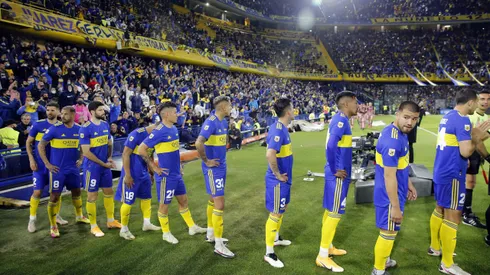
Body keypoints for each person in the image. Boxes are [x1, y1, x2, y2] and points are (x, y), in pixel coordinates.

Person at [429, 89, 490, 275]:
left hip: (441, 170)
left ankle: (434, 248)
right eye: (476, 102)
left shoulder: (448, 116)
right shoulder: (463, 119)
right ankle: (447, 264)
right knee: (453, 215)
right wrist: (479, 137)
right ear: (470, 103)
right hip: (453, 173)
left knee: (440, 208)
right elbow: (465, 152)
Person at [138, 102, 206, 244]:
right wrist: (154, 168)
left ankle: (192, 227)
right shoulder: (159, 131)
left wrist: (179, 165)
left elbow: (175, 151)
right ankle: (166, 233)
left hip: (176, 174)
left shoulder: (174, 129)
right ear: (167, 114)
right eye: (175, 112)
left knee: (183, 200)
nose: (178, 114)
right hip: (165, 176)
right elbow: (141, 149)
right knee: (164, 205)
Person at [371, 101, 420, 275]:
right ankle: (378, 270)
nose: (410, 122)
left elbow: (401, 166)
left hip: (396, 190)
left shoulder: (401, 133)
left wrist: (409, 184)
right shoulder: (392, 141)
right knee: (388, 231)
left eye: (414, 119)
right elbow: (389, 176)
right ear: (397, 114)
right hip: (388, 195)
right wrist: (396, 207)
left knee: (391, 230)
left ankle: (384, 259)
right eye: (406, 117)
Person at [316, 91, 357, 272]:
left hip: (337, 172)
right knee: (335, 212)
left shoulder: (340, 119)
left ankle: (328, 247)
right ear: (347, 104)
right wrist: (334, 170)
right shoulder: (341, 120)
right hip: (338, 173)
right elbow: (331, 145)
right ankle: (323, 256)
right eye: (356, 103)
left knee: (330, 210)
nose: (358, 106)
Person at [37, 106, 89, 238]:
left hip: (73, 169)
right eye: (62, 114)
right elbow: (41, 145)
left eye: (65, 114)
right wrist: (47, 164)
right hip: (57, 170)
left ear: (73, 115)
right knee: (54, 196)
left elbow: (83, 145)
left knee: (77, 191)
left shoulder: (79, 129)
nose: (62, 116)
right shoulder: (55, 128)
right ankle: (53, 225)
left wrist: (81, 158)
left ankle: (79, 216)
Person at [26, 103, 79, 232]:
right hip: (40, 165)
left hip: (57, 166)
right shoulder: (38, 125)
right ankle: (32, 219)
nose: (49, 112)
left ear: (59, 112)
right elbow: (29, 142)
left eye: (52, 110)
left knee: (56, 192)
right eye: (48, 110)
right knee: (37, 192)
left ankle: (56, 215)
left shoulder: (64, 126)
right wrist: (31, 159)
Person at [195, 96, 234, 258]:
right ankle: (219, 244)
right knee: (219, 203)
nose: (231, 107)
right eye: (230, 105)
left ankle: (211, 233)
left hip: (220, 167)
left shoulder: (223, 122)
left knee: (213, 200)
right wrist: (206, 161)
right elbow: (198, 143)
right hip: (213, 169)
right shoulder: (210, 122)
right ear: (223, 107)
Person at [80, 101, 121, 238]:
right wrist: (104, 164)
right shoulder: (85, 128)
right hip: (92, 168)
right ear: (92, 112)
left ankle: (110, 221)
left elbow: (109, 143)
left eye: (103, 110)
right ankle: (93, 226)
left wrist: (109, 157)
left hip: (104, 166)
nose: (103, 112)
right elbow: (86, 153)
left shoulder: (105, 125)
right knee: (92, 196)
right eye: (100, 110)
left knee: (109, 192)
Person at [114, 123, 162, 240]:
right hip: (132, 173)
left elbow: (149, 156)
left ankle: (147, 223)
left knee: (147, 198)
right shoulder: (137, 134)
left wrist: (150, 173)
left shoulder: (155, 136)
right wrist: (128, 175)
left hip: (144, 173)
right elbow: (125, 154)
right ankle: (123, 229)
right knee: (128, 201)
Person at [263, 98, 295, 268]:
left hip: (284, 179)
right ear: (288, 112)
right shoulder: (277, 129)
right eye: (293, 108)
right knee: (275, 213)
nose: (295, 110)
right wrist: (277, 174)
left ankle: (275, 238)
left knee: (282, 209)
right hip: (278, 181)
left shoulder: (282, 128)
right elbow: (270, 154)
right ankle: (269, 253)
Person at [463, 91, 490, 228]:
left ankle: (465, 211)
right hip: (468, 152)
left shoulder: (486, 117)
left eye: (488, 99)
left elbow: (481, 138)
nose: (485, 102)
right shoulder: (470, 116)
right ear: (476, 100)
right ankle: (466, 214)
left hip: (476, 152)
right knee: (469, 182)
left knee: (471, 182)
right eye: (482, 99)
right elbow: (474, 139)